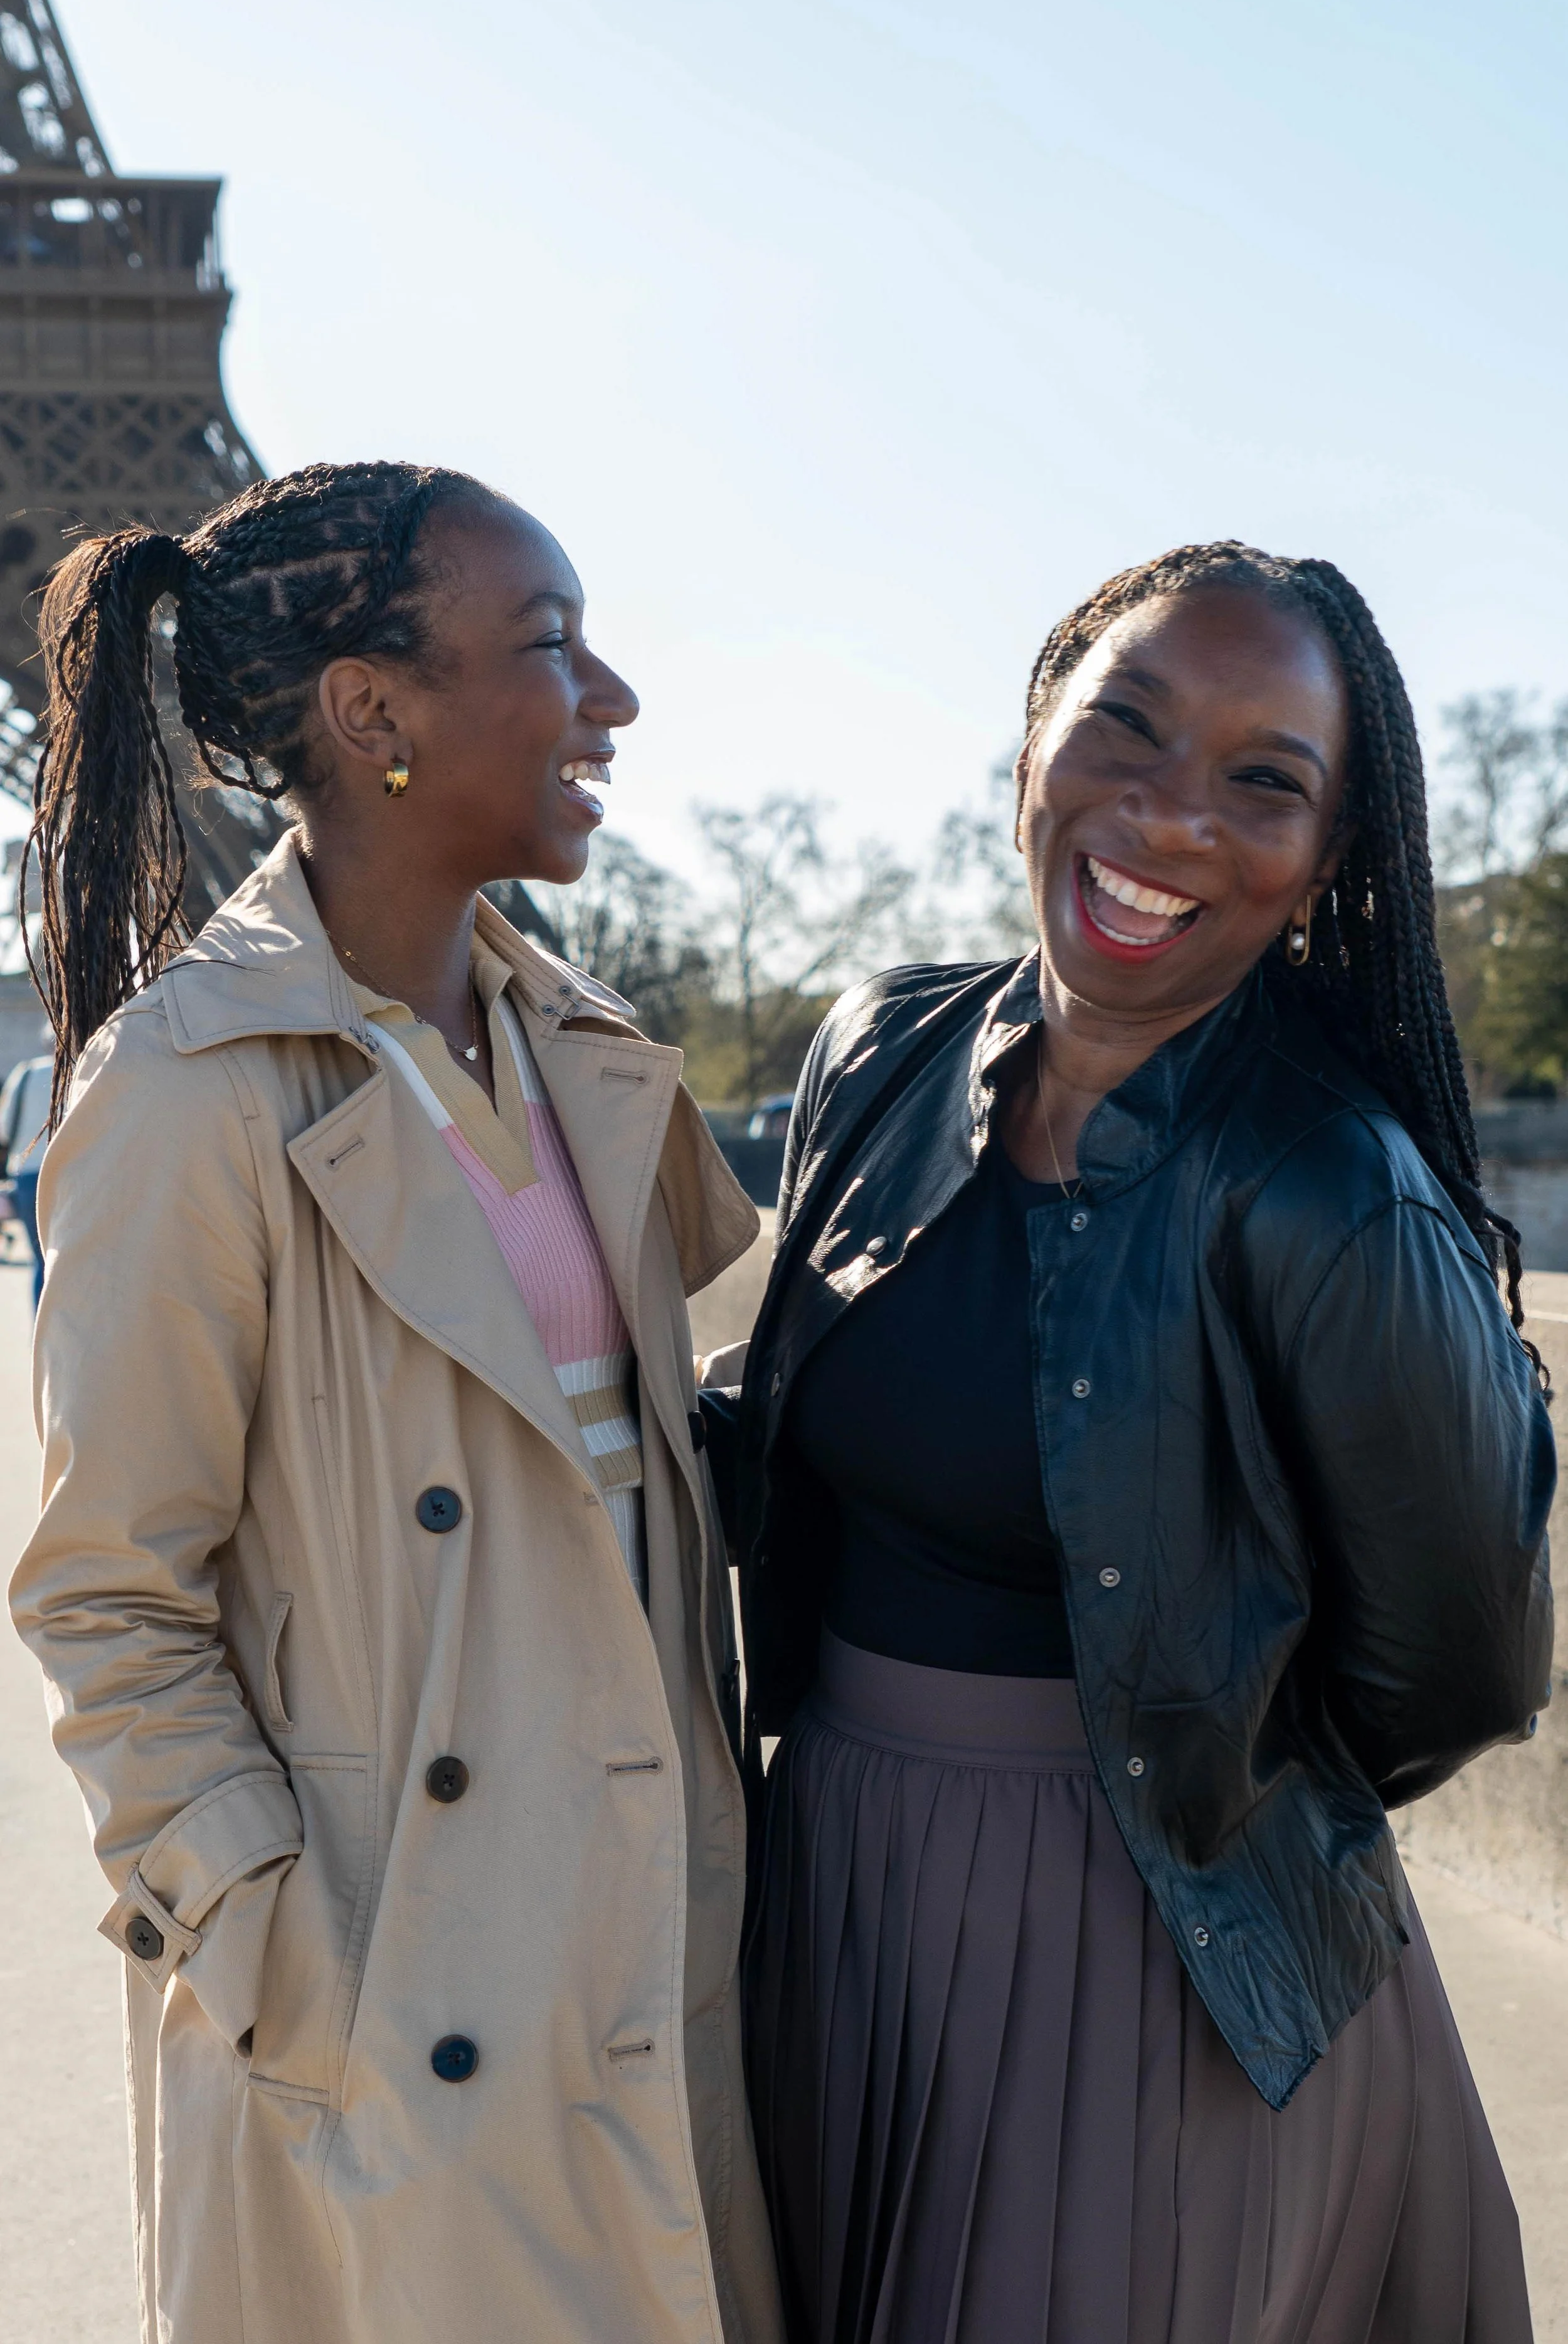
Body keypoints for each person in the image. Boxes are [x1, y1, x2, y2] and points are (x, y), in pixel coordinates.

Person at [717, 543, 1554, 2343]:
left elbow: (1462, 1667)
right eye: (1126, 727)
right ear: (1031, 738)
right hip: (833, 1886)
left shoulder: (1332, 1190)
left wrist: (1160, 1791)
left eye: (1263, 781)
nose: (1169, 816)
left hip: (1159, 1943)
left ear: (1323, 861)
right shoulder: (882, 1051)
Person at [9, 463, 784, 2344]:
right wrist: (292, 1960)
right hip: (398, 2016)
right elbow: (110, 1593)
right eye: (545, 648)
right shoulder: (188, 1090)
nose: (607, 699)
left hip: (649, 1962)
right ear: (373, 715)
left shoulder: (582, 1051)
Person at [0, 1049, 50, 1305]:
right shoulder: (83, 1069)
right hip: (72, 1173)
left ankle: (39, 1340)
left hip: (28, 1175)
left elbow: (5, 1130)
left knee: (41, 1262)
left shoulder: (27, 1072)